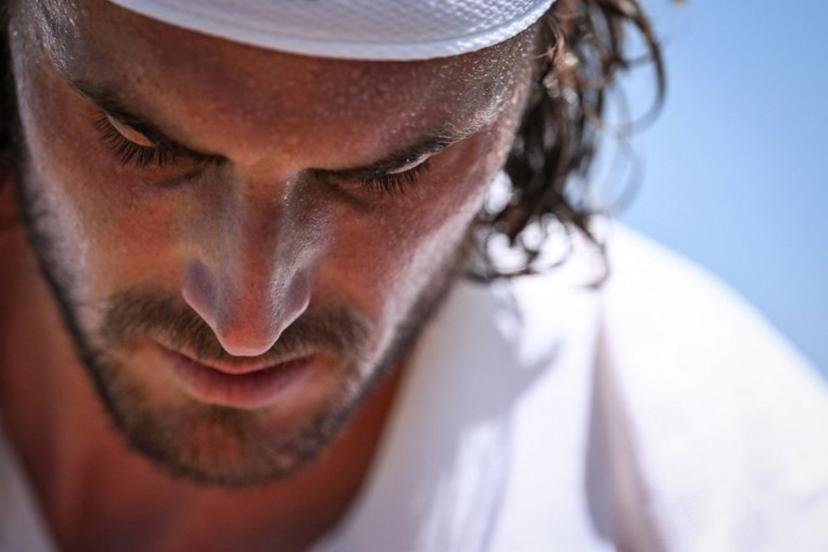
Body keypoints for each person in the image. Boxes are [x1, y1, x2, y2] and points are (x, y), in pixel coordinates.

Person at [0, 0, 826, 550]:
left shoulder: (726, 487)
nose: (248, 323)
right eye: (144, 144)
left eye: (389, 173)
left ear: (551, 54)